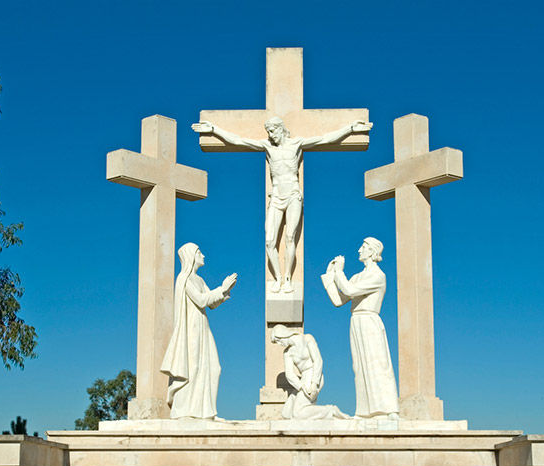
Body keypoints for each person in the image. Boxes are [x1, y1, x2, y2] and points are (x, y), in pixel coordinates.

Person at [192, 117, 372, 294]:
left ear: (280, 129)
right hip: (276, 196)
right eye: (268, 132)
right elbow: (239, 141)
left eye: (272, 131)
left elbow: (325, 138)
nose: (270, 135)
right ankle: (277, 278)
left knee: (289, 237)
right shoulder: (267, 146)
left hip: (293, 194)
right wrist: (214, 130)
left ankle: (287, 278)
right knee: (270, 240)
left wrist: (350, 128)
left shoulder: (296, 144)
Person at [321, 237, 399, 419]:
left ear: (372, 251)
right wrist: (330, 278)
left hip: (370, 320)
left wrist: (339, 272)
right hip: (356, 322)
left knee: (378, 363)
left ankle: (389, 409)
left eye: (363, 247)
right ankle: (365, 411)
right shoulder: (357, 276)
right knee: (360, 367)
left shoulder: (378, 276)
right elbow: (339, 300)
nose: (359, 250)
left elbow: (349, 291)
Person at [160, 243, 237, 419]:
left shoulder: (199, 280)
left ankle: (206, 411)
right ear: (191, 256)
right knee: (192, 367)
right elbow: (201, 300)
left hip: (202, 327)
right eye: (199, 252)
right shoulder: (184, 278)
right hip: (191, 330)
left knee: (213, 367)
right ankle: (186, 411)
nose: (203, 256)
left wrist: (225, 292)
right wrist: (222, 288)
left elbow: (211, 303)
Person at [271, 324, 348, 420]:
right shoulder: (287, 353)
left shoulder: (307, 339)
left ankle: (331, 411)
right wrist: (301, 386)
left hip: (313, 374)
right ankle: (325, 415)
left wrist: (314, 383)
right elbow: (289, 374)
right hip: (303, 379)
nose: (279, 344)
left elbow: (318, 360)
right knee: (286, 413)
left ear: (282, 334)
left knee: (297, 414)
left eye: (278, 340)